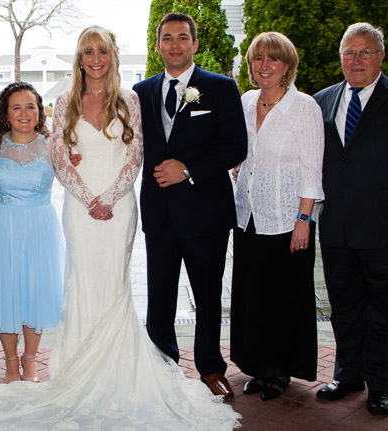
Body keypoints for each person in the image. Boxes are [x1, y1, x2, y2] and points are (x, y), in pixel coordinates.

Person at [0, 26, 240, 430]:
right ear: (79, 58)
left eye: (102, 50)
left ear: (112, 56)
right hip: (80, 211)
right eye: (88, 51)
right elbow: (60, 156)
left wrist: (111, 196)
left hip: (118, 209)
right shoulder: (64, 100)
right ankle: (78, 368)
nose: (95, 58)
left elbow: (135, 153)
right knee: (82, 283)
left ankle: (124, 369)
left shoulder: (130, 99)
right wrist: (87, 199)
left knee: (115, 286)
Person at [312, 22, 388, 415]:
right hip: (338, 230)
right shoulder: (323, 100)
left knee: (386, 312)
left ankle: (380, 385)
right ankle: (347, 374)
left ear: (381, 56)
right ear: (340, 58)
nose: (356, 59)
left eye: (365, 52)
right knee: (344, 308)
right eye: (349, 52)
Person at [132, 12, 247, 398]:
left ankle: (211, 367)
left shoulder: (221, 88)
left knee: (208, 294)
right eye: (167, 38)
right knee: (159, 293)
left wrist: (189, 170)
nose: (175, 45)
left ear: (194, 44)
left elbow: (235, 147)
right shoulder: (140, 92)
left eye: (183, 37)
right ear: (158, 44)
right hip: (160, 212)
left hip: (206, 212)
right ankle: (161, 366)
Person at [229, 31, 323, 401]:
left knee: (284, 296)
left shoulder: (304, 108)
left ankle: (281, 370)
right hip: (249, 215)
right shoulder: (246, 101)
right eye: (258, 58)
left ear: (287, 66)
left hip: (288, 219)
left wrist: (305, 219)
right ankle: (257, 366)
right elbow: (238, 149)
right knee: (253, 296)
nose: (264, 66)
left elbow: (312, 169)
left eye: (273, 59)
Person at [0, 82, 64, 384]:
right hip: (2, 226)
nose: (24, 113)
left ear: (40, 111)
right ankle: (11, 363)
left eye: (30, 106)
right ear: (5, 114)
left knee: (35, 292)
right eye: (17, 107)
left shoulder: (54, 145)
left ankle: (31, 360)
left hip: (40, 227)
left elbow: (75, 180)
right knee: (6, 292)